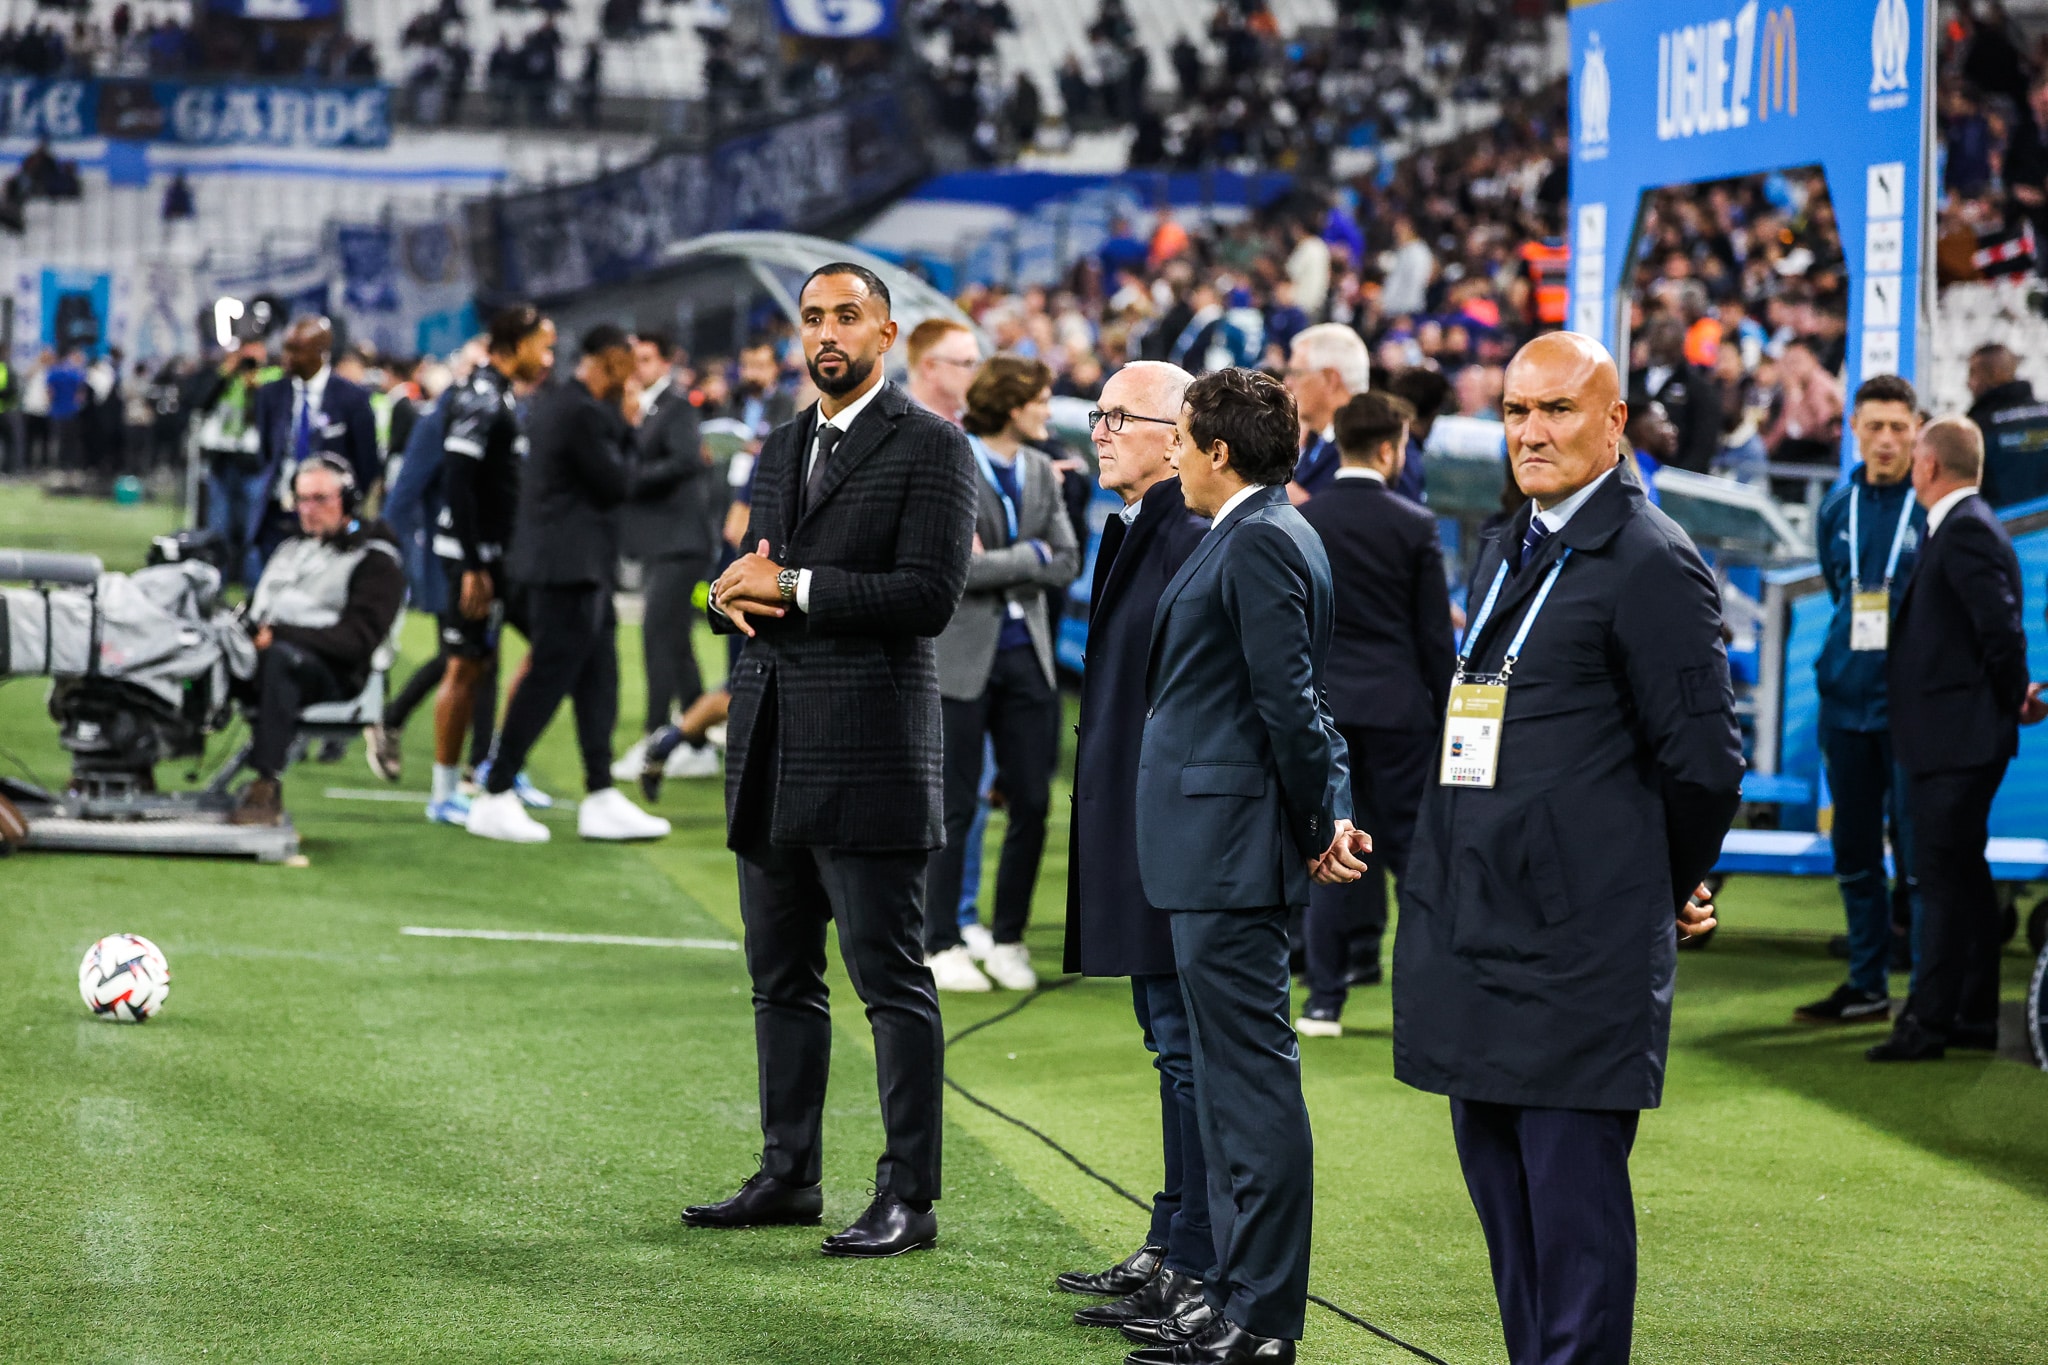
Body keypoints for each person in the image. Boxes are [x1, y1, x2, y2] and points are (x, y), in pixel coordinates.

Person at [1394, 333, 1743, 1365]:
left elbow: (1705, 767)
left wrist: (1656, 885)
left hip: (1576, 950)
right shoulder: (1514, 541)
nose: (1530, 433)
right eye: (1514, 412)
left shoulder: (1649, 560)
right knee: (1509, 1225)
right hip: (1478, 933)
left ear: (1613, 421)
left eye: (1554, 410)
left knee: (1574, 1231)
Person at [682, 263, 976, 1259]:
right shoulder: (779, 442)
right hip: (768, 744)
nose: (826, 334)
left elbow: (929, 595)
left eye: (845, 316)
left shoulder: (933, 447)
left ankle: (911, 1198)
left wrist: (795, 585)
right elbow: (741, 573)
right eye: (811, 319)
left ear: (886, 334)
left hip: (870, 754)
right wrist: (718, 597)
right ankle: (788, 1173)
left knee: (890, 983)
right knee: (779, 980)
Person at [1130, 367, 1365, 1365]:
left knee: (1248, 1090)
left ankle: (1261, 1317)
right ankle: (1233, 1294)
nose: (1173, 455)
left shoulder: (1263, 537)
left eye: (1181, 438)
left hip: (1229, 851)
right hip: (1211, 847)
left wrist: (1321, 818)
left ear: (1217, 449)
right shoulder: (1255, 530)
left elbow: (1291, 704)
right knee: (1231, 1090)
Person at [1054, 361, 1216, 1338]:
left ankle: (1193, 1259)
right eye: (1098, 413)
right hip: (1140, 830)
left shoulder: (1190, 538)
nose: (1101, 430)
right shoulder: (1144, 529)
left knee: (1186, 1054)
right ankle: (1171, 1242)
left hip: (1175, 842)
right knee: (1170, 1050)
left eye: (1123, 417)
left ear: (1179, 433)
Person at [1871, 416, 2042, 1061]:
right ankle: (1969, 1015)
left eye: (1916, 452)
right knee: (1963, 879)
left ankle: (1928, 1023)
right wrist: (2010, 697)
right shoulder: (1962, 528)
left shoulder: (1965, 530)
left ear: (1929, 466)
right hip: (1955, 737)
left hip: (1957, 742)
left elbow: (2000, 631)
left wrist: (2010, 697)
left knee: (1941, 881)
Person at [465, 325, 673, 846]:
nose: (635, 375)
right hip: (564, 568)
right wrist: (631, 425)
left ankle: (600, 794)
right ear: (608, 361)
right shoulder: (580, 411)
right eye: (628, 362)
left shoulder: (572, 404)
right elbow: (618, 483)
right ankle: (494, 790)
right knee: (550, 676)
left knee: (599, 674)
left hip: (582, 566)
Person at [1293, 391, 1455, 1035]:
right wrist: (1450, 720)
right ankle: (1423, 1003)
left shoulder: (1306, 521)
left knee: (1329, 852)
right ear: (1391, 448)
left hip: (1324, 712)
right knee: (1415, 860)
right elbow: (1435, 639)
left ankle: (1322, 1000)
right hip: (1400, 714)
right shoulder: (1414, 524)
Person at [920, 355, 1079, 994]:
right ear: (1013, 405)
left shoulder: (1041, 468)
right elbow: (952, 567)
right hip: (961, 658)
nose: (1048, 408)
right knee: (954, 803)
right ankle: (941, 941)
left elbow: (1067, 559)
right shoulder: (953, 461)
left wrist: (1012, 560)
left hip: (1027, 655)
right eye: (1040, 398)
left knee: (1034, 801)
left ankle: (1009, 936)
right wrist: (1030, 556)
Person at [1795, 376, 1927, 1025]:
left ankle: (1929, 996)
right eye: (1874, 426)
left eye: (1898, 427)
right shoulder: (1836, 506)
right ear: (1854, 427)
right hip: (1845, 701)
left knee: (1918, 852)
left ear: (1917, 429)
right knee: (1853, 847)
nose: (1885, 439)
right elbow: (1837, 582)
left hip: (1910, 709)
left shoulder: (1930, 507)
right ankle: (1868, 983)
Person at [427, 304, 554, 825]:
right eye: (542, 347)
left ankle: (500, 763)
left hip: (499, 555)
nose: (547, 359)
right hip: (471, 556)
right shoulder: (481, 396)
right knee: (464, 666)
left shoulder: (501, 393)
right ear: (514, 345)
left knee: (545, 647)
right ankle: (443, 792)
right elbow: (457, 480)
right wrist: (475, 564)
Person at [230, 457, 406, 826]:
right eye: (302, 500)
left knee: (281, 659)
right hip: (266, 656)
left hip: (335, 674)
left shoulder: (376, 561)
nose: (308, 510)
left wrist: (279, 635)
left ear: (349, 500)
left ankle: (266, 784)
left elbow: (357, 641)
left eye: (320, 499)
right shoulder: (291, 550)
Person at [611, 327, 720, 785]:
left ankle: (655, 737)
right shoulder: (641, 407)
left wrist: (629, 475)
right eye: (634, 358)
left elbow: (686, 460)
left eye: (648, 358)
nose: (639, 366)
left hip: (682, 541)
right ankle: (694, 744)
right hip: (663, 542)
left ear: (666, 361)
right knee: (675, 644)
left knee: (658, 636)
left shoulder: (675, 404)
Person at [251, 317, 380, 569]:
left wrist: (343, 505)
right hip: (279, 510)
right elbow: (267, 453)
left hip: (329, 516)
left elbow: (367, 462)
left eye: (296, 350)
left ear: (321, 353)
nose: (286, 357)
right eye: (286, 348)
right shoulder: (270, 395)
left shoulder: (353, 398)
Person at [1281, 323, 1368, 504]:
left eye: (1296, 373)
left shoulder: (1372, 443)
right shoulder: (1313, 440)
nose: (1287, 383)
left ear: (1330, 378)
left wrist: (1301, 505)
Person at [1626, 316, 1720, 474]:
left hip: (1677, 478)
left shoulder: (1698, 389)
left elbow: (1704, 443)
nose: (1662, 341)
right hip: (1632, 470)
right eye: (1658, 335)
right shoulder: (1632, 380)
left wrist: (1683, 478)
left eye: (1669, 336)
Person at [1963, 343, 2048, 508]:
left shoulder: (1977, 428)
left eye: (1972, 374)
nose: (1968, 383)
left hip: (2000, 527)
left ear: (1992, 374)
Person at [903, 317, 982, 425]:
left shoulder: (972, 425)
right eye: (967, 363)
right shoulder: (902, 427)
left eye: (977, 364)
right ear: (930, 367)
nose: (976, 374)